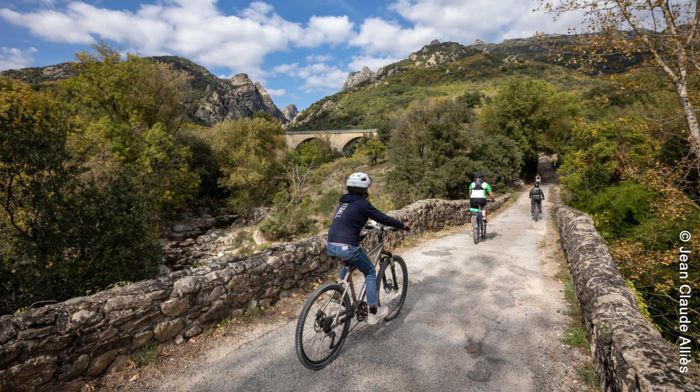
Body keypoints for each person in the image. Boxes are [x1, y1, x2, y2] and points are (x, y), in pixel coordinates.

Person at [327, 172, 409, 325]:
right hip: (348, 246)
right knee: (370, 271)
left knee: (347, 262)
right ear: (363, 190)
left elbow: (347, 221)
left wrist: (360, 229)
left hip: (331, 244)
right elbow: (382, 218)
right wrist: (402, 225)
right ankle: (373, 312)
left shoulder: (343, 202)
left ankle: (338, 291)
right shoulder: (363, 204)